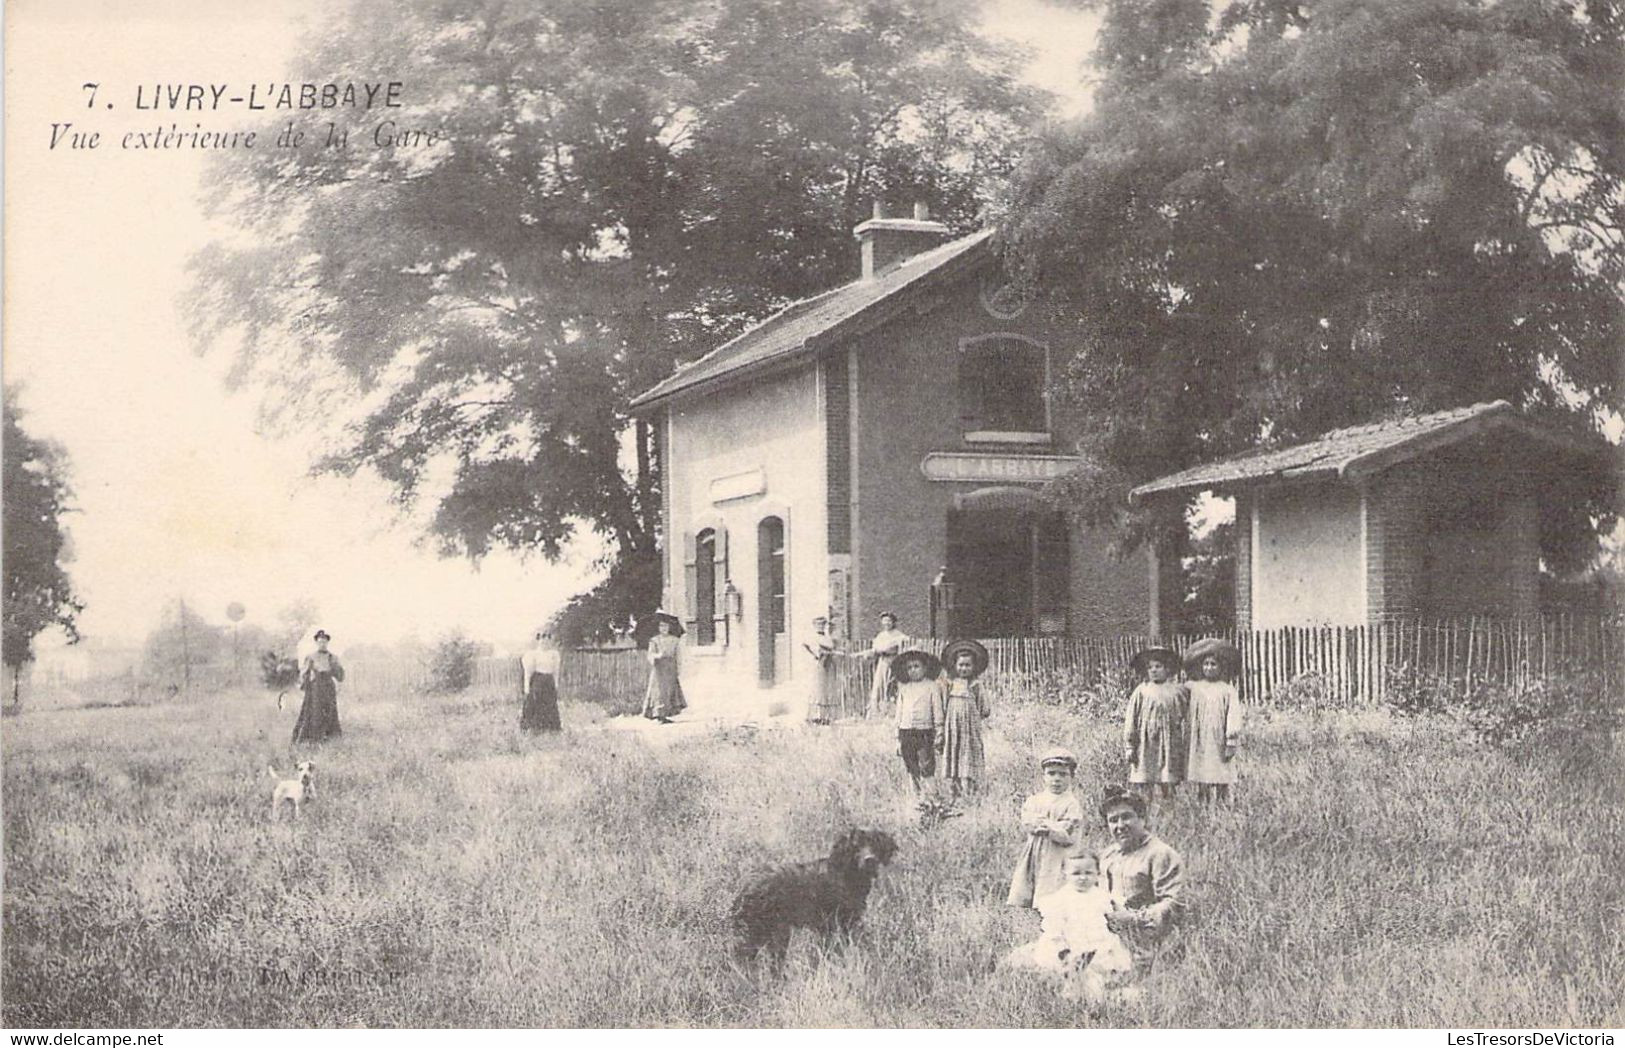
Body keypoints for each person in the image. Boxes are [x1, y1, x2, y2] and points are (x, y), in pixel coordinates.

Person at [1003, 850, 1134, 1003]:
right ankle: (1073, 976)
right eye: (1076, 873)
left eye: (1088, 873)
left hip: (1095, 939)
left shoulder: (1101, 896)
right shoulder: (1060, 899)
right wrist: (1062, 947)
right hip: (1069, 939)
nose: (1083, 878)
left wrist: (1119, 916)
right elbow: (1053, 926)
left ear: (1098, 873)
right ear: (1066, 874)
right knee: (1066, 966)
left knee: (1101, 964)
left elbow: (1114, 914)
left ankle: (1098, 986)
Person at [1097, 785, 1186, 975]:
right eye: (1113, 820)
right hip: (1107, 937)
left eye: (1126, 817)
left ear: (1142, 819)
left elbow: (1174, 905)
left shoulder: (1160, 854)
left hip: (1145, 942)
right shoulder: (1108, 855)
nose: (1120, 826)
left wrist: (1134, 918)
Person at [1007, 748, 1085, 908]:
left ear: (1072, 777)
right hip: (1034, 851)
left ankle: (1049, 914)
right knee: (1028, 882)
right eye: (1051, 773)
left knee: (1052, 885)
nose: (1056, 779)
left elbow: (1068, 833)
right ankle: (1028, 912)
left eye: (1063, 774)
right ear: (1044, 776)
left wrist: (1049, 828)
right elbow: (1028, 821)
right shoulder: (1034, 801)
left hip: (1057, 854)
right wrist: (1047, 824)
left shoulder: (1071, 804)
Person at [1123, 646, 1188, 800]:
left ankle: (1169, 808)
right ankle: (1145, 806)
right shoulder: (1141, 691)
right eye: (1150, 667)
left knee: (1168, 778)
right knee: (1146, 778)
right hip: (1146, 742)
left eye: (1158, 666)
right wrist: (1130, 746)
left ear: (1168, 669)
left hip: (1170, 741)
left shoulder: (1177, 691)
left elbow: (1186, 717)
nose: (1153, 670)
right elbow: (1131, 719)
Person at [1183, 637, 1242, 803]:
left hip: (1219, 738)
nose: (1209, 668)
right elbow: (1177, 699)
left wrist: (1231, 740)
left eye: (1213, 664)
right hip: (1200, 738)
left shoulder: (1227, 690)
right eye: (1206, 664)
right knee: (1202, 769)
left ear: (1221, 667)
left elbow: (1233, 715)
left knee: (1221, 769)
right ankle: (1203, 801)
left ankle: (1224, 802)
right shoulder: (1193, 687)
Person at [938, 639, 990, 798]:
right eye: (961, 665)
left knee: (968, 751)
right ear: (954, 665)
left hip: (970, 727)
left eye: (968, 665)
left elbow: (984, 708)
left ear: (974, 667)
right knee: (954, 752)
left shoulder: (976, 685)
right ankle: (955, 790)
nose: (964, 669)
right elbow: (943, 703)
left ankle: (970, 789)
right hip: (953, 726)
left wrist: (973, 718)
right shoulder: (950, 684)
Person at [892, 649, 945, 792]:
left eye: (917, 666)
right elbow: (899, 712)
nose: (913, 670)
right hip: (906, 731)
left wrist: (939, 729)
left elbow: (937, 709)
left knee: (926, 764)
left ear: (925, 668)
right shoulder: (904, 688)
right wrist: (897, 735)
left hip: (924, 732)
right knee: (911, 765)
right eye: (909, 668)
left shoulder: (932, 686)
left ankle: (931, 795)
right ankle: (915, 796)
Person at [291, 629, 344, 745]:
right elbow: (304, 673)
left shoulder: (332, 657)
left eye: (324, 642)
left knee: (330, 712)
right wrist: (305, 685)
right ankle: (313, 740)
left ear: (327, 643)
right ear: (316, 643)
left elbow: (340, 675)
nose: (322, 644)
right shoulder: (311, 656)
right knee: (314, 713)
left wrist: (337, 668)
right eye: (320, 642)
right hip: (315, 688)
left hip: (328, 687)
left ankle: (330, 738)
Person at [855, 612, 909, 717]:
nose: (886, 623)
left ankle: (892, 711)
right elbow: (875, 649)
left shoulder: (898, 635)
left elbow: (905, 641)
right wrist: (864, 654)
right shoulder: (881, 636)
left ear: (893, 622)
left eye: (889, 621)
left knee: (892, 685)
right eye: (884, 621)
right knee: (879, 685)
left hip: (894, 662)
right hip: (883, 662)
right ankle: (877, 711)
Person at [642, 610, 687, 724]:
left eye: (666, 626)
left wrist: (679, 668)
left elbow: (678, 656)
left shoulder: (675, 640)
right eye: (661, 626)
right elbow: (650, 654)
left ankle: (666, 714)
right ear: (658, 628)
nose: (664, 628)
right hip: (659, 669)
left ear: (669, 627)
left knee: (670, 690)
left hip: (670, 668)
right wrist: (657, 656)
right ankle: (658, 715)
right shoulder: (654, 640)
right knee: (658, 691)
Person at [518, 629, 563, 733]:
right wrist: (527, 689)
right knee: (536, 703)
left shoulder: (553, 655)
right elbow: (528, 673)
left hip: (549, 682)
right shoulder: (533, 655)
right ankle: (534, 728)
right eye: (542, 639)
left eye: (547, 639)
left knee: (550, 704)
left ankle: (550, 729)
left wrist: (556, 685)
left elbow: (556, 672)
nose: (545, 641)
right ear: (538, 640)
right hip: (538, 681)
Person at [803, 616, 841, 725]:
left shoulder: (827, 638)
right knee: (816, 688)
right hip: (817, 665)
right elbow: (810, 649)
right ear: (814, 626)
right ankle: (814, 716)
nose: (820, 627)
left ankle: (825, 716)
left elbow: (831, 648)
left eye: (823, 625)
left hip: (828, 665)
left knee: (826, 688)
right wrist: (816, 654)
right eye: (818, 625)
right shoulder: (811, 637)